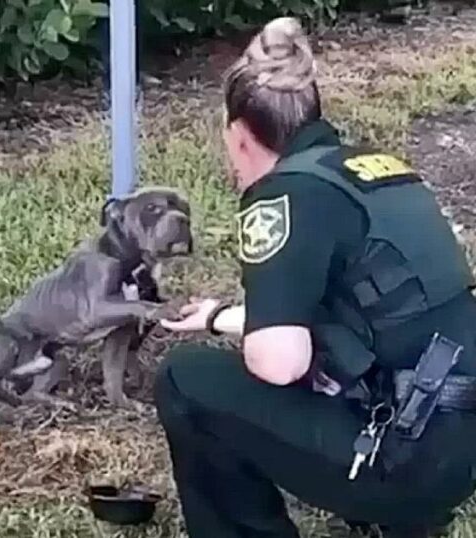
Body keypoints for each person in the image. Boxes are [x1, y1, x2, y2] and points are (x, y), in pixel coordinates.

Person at [153, 17, 476, 538]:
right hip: (458, 447)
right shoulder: (379, 170)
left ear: (239, 136)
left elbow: (279, 362)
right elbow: (373, 316)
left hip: (400, 462)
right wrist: (218, 317)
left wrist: (255, 335)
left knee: (184, 379)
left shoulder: (281, 195)